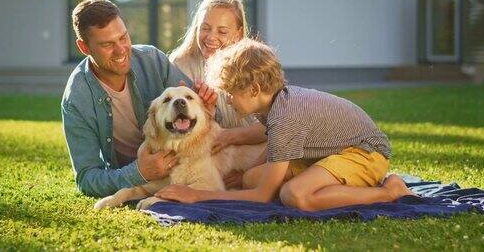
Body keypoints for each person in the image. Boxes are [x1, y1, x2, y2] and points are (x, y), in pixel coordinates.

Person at [156, 38, 415, 211]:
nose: (229, 101)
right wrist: (246, 175)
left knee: (294, 195)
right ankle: (340, 186)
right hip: (335, 153)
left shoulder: (285, 117)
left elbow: (262, 197)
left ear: (254, 89)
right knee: (250, 177)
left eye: (231, 94)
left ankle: (388, 192)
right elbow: (268, 161)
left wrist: (197, 195)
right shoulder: (273, 106)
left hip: (365, 154)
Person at [62, 0, 216, 197]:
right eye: (107, 44)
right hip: (134, 176)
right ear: (84, 48)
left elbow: (198, 111)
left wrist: (208, 103)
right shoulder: (77, 99)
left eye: (123, 37)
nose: (121, 50)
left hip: (184, 163)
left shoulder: (152, 60)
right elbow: (87, 178)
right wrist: (139, 172)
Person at [169, 0, 267, 188]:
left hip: (256, 153)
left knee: (254, 181)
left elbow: (272, 128)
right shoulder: (181, 64)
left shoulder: (254, 65)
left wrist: (229, 137)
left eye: (222, 31)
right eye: (205, 28)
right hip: (209, 158)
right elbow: (181, 128)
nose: (211, 37)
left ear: (239, 34)